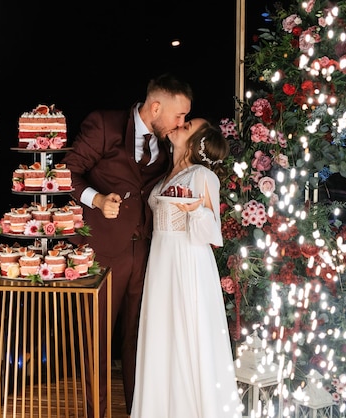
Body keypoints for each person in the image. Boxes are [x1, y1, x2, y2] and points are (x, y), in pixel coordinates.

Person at [61, 73, 194, 417]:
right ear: (155, 107)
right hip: (104, 252)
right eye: (179, 116)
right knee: (99, 340)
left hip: (147, 251)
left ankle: (138, 410)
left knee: (139, 339)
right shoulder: (104, 124)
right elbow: (66, 173)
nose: (182, 123)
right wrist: (97, 199)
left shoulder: (166, 143)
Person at [130, 118, 242, 417]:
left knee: (186, 333)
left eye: (187, 124)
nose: (179, 124)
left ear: (195, 141)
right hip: (160, 259)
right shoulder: (167, 174)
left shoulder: (202, 176)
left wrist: (196, 212)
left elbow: (212, 235)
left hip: (187, 260)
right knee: (161, 333)